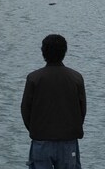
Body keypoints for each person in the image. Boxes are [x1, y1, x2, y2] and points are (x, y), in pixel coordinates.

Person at [21, 34, 86, 169]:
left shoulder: (34, 78)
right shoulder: (76, 78)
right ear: (64, 52)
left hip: (41, 141)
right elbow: (82, 111)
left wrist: (35, 130)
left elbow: (25, 110)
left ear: (43, 52)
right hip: (68, 141)